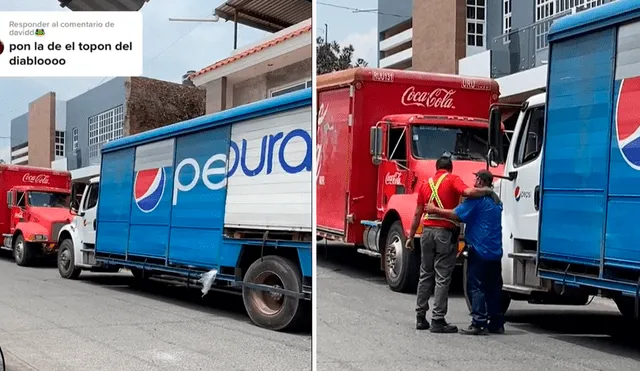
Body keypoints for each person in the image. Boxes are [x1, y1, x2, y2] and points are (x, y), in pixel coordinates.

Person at [406, 155, 494, 332]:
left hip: (427, 233)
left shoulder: (425, 184)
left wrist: (410, 236)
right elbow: (468, 193)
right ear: (450, 168)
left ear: (436, 167)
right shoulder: (453, 179)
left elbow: (417, 213)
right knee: (442, 276)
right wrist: (488, 191)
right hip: (444, 233)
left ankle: (420, 317)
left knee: (425, 274)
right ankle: (438, 319)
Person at [425, 169, 504, 335]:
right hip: (495, 251)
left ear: (481, 181)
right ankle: (496, 323)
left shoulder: (476, 201)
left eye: (476, 179)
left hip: (479, 250)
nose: (474, 181)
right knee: (494, 288)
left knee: (475, 287)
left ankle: (479, 323)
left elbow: (456, 214)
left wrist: (434, 209)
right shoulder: (497, 202)